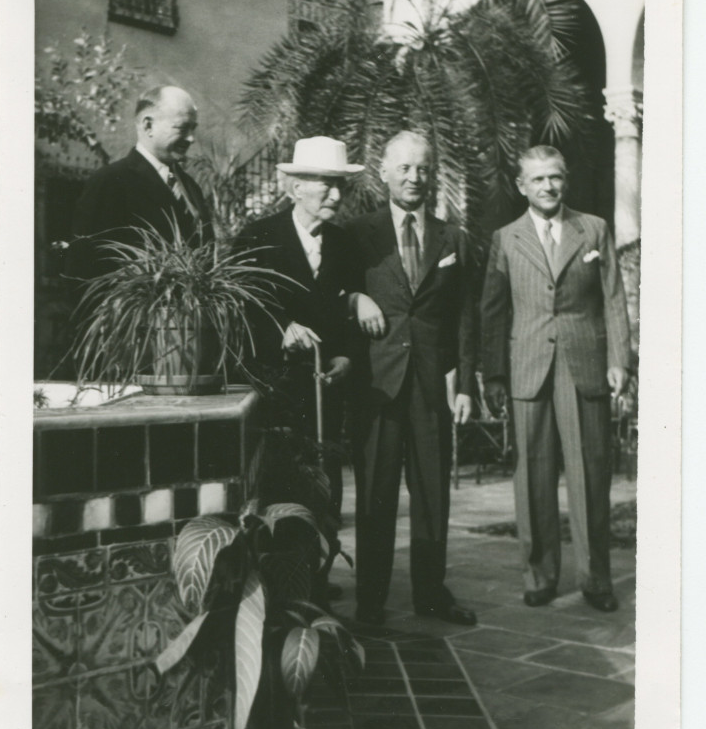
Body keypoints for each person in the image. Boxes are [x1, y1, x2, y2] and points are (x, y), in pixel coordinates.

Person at [481, 145, 630, 612]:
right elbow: (493, 311)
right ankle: (540, 575)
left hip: (584, 366)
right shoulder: (505, 239)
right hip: (528, 368)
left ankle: (596, 579)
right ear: (522, 186)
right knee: (534, 478)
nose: (548, 186)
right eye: (538, 179)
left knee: (590, 475)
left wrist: (619, 360)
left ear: (566, 180)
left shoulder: (594, 229)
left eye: (556, 177)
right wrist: (495, 376)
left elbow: (613, 298)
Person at [347, 130, 478, 627]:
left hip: (430, 386)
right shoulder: (359, 234)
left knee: (432, 493)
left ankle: (430, 593)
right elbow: (337, 293)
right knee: (376, 494)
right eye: (404, 167)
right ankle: (370, 600)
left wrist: (465, 383)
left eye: (423, 168)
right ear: (383, 172)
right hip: (377, 384)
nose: (414, 177)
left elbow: (465, 316)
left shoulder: (452, 238)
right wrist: (351, 301)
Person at [236, 136, 364, 524]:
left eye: (341, 184)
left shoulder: (345, 244)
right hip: (275, 393)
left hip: (325, 394)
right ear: (295, 188)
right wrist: (282, 328)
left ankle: (320, 578)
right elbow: (242, 307)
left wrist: (345, 356)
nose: (337, 195)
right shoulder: (256, 238)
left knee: (325, 487)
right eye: (327, 183)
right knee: (279, 493)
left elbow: (349, 311)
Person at [68, 85, 211, 282]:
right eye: (182, 128)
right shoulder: (110, 181)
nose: (191, 139)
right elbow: (84, 268)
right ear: (148, 126)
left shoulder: (190, 187)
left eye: (193, 129)